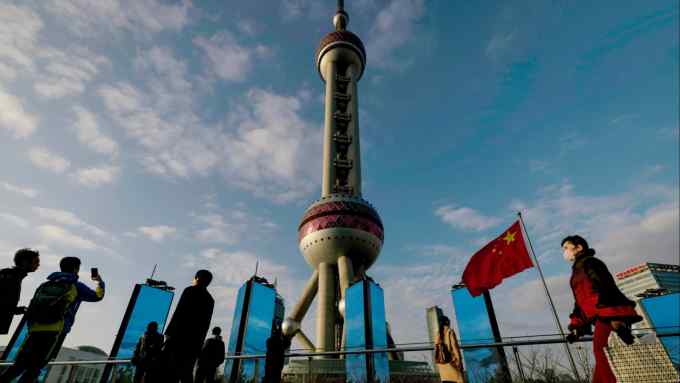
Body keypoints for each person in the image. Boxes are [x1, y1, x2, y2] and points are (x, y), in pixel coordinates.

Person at [0, 256, 105, 383]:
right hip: (56, 331)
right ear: (76, 269)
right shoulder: (76, 286)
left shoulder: (45, 284)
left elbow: (33, 306)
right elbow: (97, 296)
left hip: (34, 330)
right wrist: (100, 282)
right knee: (35, 368)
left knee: (19, 365)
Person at [562, 235, 642, 383]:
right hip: (599, 315)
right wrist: (576, 325)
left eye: (567, 247)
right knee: (601, 351)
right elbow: (580, 301)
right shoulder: (576, 271)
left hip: (607, 313)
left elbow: (606, 285)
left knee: (600, 350)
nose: (564, 252)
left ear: (578, 247)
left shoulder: (591, 263)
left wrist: (613, 316)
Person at [162, 270, 215, 383]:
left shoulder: (189, 290)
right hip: (194, 343)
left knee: (170, 372)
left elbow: (178, 314)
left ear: (197, 277)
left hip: (178, 339)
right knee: (186, 372)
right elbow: (205, 325)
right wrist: (199, 344)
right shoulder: (210, 300)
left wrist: (169, 335)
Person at [0, 248, 40, 334]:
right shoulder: (10, 277)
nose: (38, 265)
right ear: (25, 262)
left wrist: (20, 310)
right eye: (36, 261)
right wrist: (19, 310)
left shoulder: (10, 275)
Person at [434, 316, 464, 383]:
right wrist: (459, 360)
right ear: (447, 322)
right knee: (458, 379)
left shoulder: (437, 334)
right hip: (451, 362)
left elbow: (436, 349)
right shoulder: (450, 331)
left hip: (442, 364)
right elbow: (455, 347)